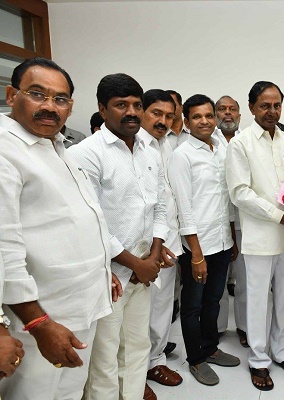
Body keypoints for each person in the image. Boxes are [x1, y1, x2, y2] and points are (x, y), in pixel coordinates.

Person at [0, 57, 114, 400]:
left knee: (69, 391)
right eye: (38, 94)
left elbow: (78, 218)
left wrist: (103, 268)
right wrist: (39, 324)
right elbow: (4, 246)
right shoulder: (6, 151)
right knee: (35, 393)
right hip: (43, 316)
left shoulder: (58, 145)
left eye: (60, 99)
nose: (50, 106)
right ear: (11, 95)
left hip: (83, 303)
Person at [69, 73, 172, 400]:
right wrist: (135, 264)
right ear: (102, 108)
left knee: (137, 347)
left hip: (144, 271)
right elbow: (93, 222)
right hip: (109, 275)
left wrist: (153, 256)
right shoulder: (86, 154)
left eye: (137, 105)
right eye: (121, 105)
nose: (131, 112)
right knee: (105, 357)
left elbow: (158, 205)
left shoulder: (148, 149)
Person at [226, 81, 284, 391]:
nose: (272, 111)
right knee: (259, 300)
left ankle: (282, 351)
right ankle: (259, 359)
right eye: (265, 105)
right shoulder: (241, 143)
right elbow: (240, 193)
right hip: (260, 238)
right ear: (251, 107)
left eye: (277, 106)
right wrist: (282, 217)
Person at [169, 94, 240, 386]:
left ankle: (210, 347)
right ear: (186, 122)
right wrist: (196, 255)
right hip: (197, 246)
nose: (205, 121)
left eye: (209, 115)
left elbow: (227, 198)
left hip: (222, 241)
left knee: (214, 300)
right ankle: (196, 359)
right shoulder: (182, 155)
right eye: (197, 117)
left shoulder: (221, 150)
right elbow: (183, 208)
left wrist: (232, 236)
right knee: (193, 305)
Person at [137, 89, 184, 389]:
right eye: (156, 113)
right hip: (143, 249)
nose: (163, 121)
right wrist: (155, 244)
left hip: (170, 242)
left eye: (169, 116)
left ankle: (155, 361)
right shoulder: (135, 145)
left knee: (163, 307)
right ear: (141, 111)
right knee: (139, 314)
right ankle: (135, 370)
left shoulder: (167, 144)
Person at [213, 95, 244, 338]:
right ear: (215, 115)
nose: (227, 113)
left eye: (232, 109)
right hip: (217, 221)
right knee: (218, 282)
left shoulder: (247, 140)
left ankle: (244, 327)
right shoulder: (207, 141)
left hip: (245, 222)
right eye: (222, 109)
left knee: (245, 279)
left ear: (239, 115)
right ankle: (218, 327)